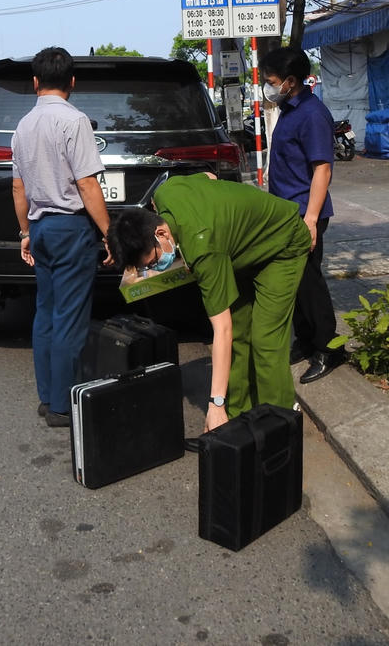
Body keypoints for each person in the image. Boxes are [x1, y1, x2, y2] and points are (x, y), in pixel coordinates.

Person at [107, 174, 309, 432]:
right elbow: (209, 177)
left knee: (266, 339)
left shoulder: (202, 250)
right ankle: (237, 419)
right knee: (240, 329)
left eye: (153, 261)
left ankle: (278, 424)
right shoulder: (165, 192)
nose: (156, 267)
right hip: (239, 248)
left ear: (160, 232)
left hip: (281, 245)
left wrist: (215, 404)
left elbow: (221, 331)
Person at [11, 47, 111, 428]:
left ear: (35, 82)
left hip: (38, 228)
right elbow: (86, 183)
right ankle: (62, 407)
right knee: (70, 318)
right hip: (70, 228)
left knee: (46, 314)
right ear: (72, 82)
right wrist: (108, 233)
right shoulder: (74, 121)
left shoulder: (22, 126)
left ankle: (47, 396)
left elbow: (18, 189)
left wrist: (24, 233)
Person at [260, 47, 341, 384]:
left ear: (290, 82)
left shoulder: (311, 114)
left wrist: (310, 220)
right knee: (293, 284)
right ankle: (306, 341)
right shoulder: (288, 109)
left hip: (304, 214)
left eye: (272, 81)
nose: (268, 87)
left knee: (310, 284)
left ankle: (328, 350)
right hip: (286, 213)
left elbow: (322, 169)